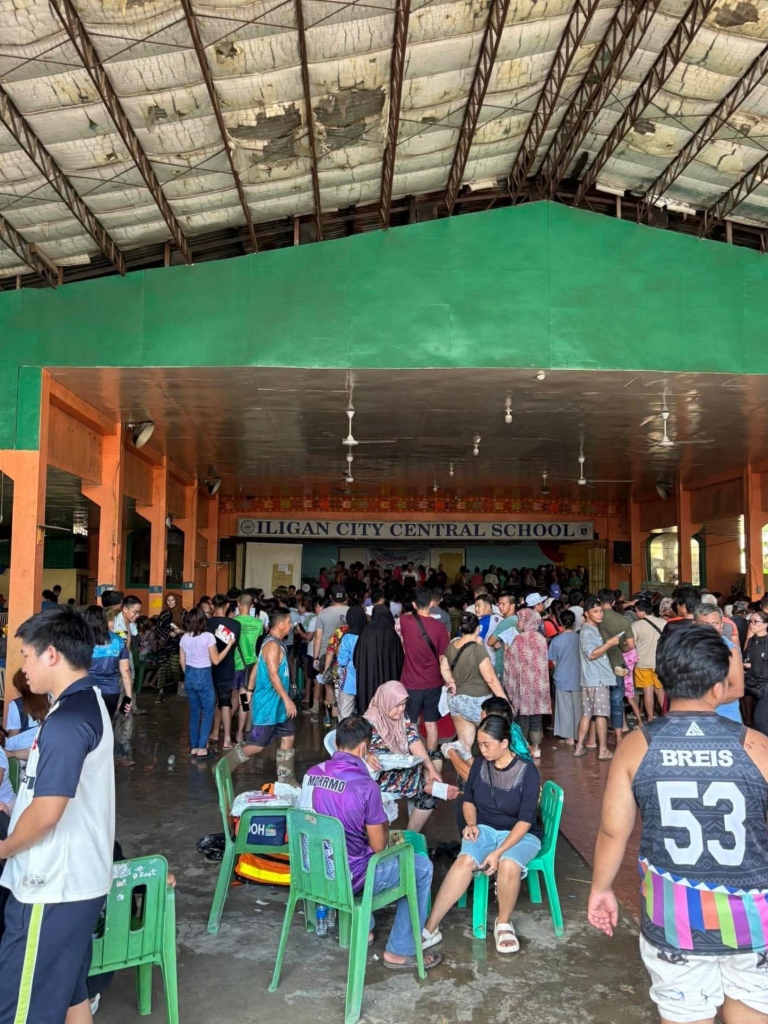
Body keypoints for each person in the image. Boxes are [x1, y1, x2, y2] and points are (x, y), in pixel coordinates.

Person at [587, 624, 768, 1024]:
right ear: (719, 687)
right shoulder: (757, 747)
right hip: (753, 920)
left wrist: (601, 888)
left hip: (675, 921)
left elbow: (613, 831)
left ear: (664, 682)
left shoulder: (637, 745)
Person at [0, 606, 115, 1024]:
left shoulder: (67, 721)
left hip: (49, 886)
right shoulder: (86, 702)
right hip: (77, 882)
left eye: (27, 656)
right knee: (71, 996)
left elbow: (47, 813)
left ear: (52, 654)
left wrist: (4, 849)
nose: (23, 668)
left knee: (21, 1010)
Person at [300, 716, 441, 972]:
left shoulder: (312, 774)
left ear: (337, 743)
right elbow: (378, 847)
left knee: (349, 848)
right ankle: (400, 951)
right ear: (365, 747)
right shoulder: (366, 786)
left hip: (311, 872)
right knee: (421, 867)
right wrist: (382, 822)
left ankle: (365, 928)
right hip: (349, 878)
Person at [422, 714, 542, 955]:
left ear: (504, 743)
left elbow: (525, 821)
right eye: (480, 744)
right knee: (464, 861)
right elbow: (468, 800)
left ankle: (503, 923)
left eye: (487, 745)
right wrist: (471, 824)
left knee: (508, 863)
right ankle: (430, 928)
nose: (482, 750)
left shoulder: (527, 771)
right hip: (485, 829)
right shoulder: (480, 764)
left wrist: (498, 853)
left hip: (521, 834)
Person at [364, 681, 457, 832]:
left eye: (403, 704)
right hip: (382, 774)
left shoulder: (402, 717)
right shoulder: (370, 721)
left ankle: (430, 781)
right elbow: (355, 745)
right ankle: (411, 833)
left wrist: (431, 769)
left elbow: (413, 741)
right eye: (397, 705)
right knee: (429, 796)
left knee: (434, 755)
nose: (401, 709)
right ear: (386, 701)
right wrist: (367, 755)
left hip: (404, 764)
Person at [231, 608, 299, 787]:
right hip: (268, 704)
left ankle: (286, 779)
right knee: (257, 745)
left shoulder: (274, 642)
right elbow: (273, 675)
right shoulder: (272, 646)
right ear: (280, 624)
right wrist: (287, 700)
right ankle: (224, 766)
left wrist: (249, 690)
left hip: (279, 705)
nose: (291, 625)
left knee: (288, 736)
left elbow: (256, 667)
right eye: (289, 622)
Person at [440, 611, 506, 753]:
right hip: (476, 700)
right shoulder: (478, 650)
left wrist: (450, 680)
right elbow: (490, 679)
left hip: (455, 699)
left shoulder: (451, 646)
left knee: (464, 744)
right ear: (478, 629)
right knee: (494, 738)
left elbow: (444, 667)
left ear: (461, 628)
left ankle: (466, 766)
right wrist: (504, 701)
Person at [399, 587, 450, 756]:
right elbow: (443, 658)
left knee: (411, 723)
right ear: (431, 604)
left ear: (414, 604)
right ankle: (432, 756)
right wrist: (448, 679)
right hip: (434, 682)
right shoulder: (440, 628)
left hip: (411, 682)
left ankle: (415, 758)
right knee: (431, 722)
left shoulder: (405, 621)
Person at [179, 605, 235, 760]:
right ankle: (202, 748)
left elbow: (182, 661)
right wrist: (229, 645)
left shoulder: (184, 638)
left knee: (194, 713)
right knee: (208, 712)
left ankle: (194, 747)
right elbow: (216, 660)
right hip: (204, 675)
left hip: (189, 675)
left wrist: (189, 675)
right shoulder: (208, 637)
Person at [574, 597, 623, 760]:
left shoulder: (589, 629)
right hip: (598, 678)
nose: (600, 614)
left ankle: (579, 747)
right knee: (601, 714)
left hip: (590, 678)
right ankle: (603, 750)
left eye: (601, 611)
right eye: (595, 611)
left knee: (587, 714)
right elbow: (592, 654)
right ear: (586, 614)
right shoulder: (588, 631)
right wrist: (609, 643)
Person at [504, 608, 551, 759]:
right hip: (538, 685)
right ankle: (536, 746)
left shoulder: (518, 639)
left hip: (523, 685)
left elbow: (510, 663)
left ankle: (523, 746)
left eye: (520, 619)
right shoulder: (541, 639)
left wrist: (506, 650)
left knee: (523, 716)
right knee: (536, 716)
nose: (518, 623)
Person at [693, 603, 744, 724]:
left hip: (724, 716)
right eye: (705, 624)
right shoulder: (687, 648)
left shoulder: (730, 651)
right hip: (694, 716)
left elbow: (737, 690)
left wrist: (702, 703)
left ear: (721, 626)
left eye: (715, 623)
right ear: (694, 625)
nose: (710, 628)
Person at [82, 605, 133, 720]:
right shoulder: (118, 641)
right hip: (111, 692)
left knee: (87, 724)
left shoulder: (81, 641)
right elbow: (125, 671)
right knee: (106, 723)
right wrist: (128, 697)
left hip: (85, 690)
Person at [353, 603, 404, 714]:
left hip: (369, 677)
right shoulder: (391, 633)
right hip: (388, 676)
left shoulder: (366, 631)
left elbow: (357, 657)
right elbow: (400, 658)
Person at [207, 593, 242, 749]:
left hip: (208, 666)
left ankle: (212, 734)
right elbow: (234, 644)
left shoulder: (207, 623)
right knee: (225, 700)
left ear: (212, 606)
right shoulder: (235, 624)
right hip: (227, 666)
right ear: (228, 606)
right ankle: (226, 739)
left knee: (212, 701)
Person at [232, 592, 264, 745]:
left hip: (234, 665)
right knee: (244, 700)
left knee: (232, 698)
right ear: (252, 606)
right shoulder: (259, 623)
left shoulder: (233, 622)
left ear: (238, 604)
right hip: (250, 665)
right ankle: (240, 733)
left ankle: (223, 725)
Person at [313, 585, 349, 720]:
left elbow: (318, 637)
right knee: (343, 687)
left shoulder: (323, 613)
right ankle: (340, 717)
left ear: (330, 597)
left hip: (325, 653)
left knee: (329, 687)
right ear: (345, 597)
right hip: (346, 655)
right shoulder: (351, 611)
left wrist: (315, 657)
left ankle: (329, 717)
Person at [548, 609, 582, 744]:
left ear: (560, 622)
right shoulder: (580, 638)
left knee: (565, 709)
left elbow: (554, 662)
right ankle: (579, 735)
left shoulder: (556, 640)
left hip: (562, 677)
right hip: (578, 677)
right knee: (579, 708)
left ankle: (569, 738)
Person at [633, 599, 666, 722]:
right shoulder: (663, 622)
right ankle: (666, 716)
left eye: (636, 611)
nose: (636, 614)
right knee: (660, 691)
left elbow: (631, 644)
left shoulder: (636, 625)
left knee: (647, 691)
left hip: (642, 663)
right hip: (659, 663)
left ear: (642, 612)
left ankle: (650, 718)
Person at [336, 605, 367, 718]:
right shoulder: (368, 635)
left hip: (349, 681)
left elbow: (342, 661)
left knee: (345, 714)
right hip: (366, 681)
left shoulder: (348, 637)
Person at [154, 592, 184, 702]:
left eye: (172, 600)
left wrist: (179, 632)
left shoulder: (183, 614)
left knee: (175, 668)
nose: (170, 602)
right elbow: (158, 628)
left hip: (178, 646)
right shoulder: (163, 614)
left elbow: (189, 628)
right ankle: (161, 693)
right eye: (168, 600)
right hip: (164, 646)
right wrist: (168, 634)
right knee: (162, 668)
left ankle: (178, 686)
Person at [744, 609, 768, 733]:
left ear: (765, 625)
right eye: (750, 621)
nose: (751, 624)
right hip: (754, 683)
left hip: (765, 685)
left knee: (760, 720)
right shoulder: (752, 641)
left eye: (755, 621)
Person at [486, 591, 519, 677]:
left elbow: (490, 641)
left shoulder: (507, 621)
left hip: (503, 664)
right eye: (499, 604)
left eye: (503, 604)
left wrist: (494, 643)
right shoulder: (516, 619)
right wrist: (495, 643)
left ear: (512, 606)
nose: (500, 606)